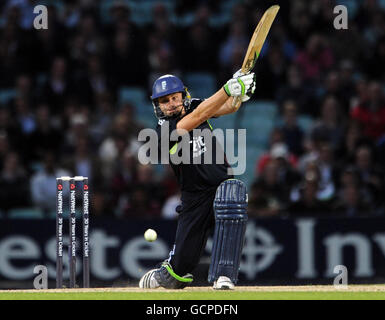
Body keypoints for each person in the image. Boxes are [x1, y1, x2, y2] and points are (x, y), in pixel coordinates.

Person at [138, 71, 256, 290]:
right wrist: (227, 88)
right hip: (194, 196)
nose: (171, 104)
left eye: (175, 97)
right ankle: (163, 275)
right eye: (165, 101)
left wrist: (240, 94)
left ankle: (224, 276)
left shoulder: (194, 106)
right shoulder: (163, 131)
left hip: (221, 184)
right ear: (158, 106)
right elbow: (196, 117)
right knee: (178, 273)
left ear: (183, 95)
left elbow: (228, 107)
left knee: (233, 196)